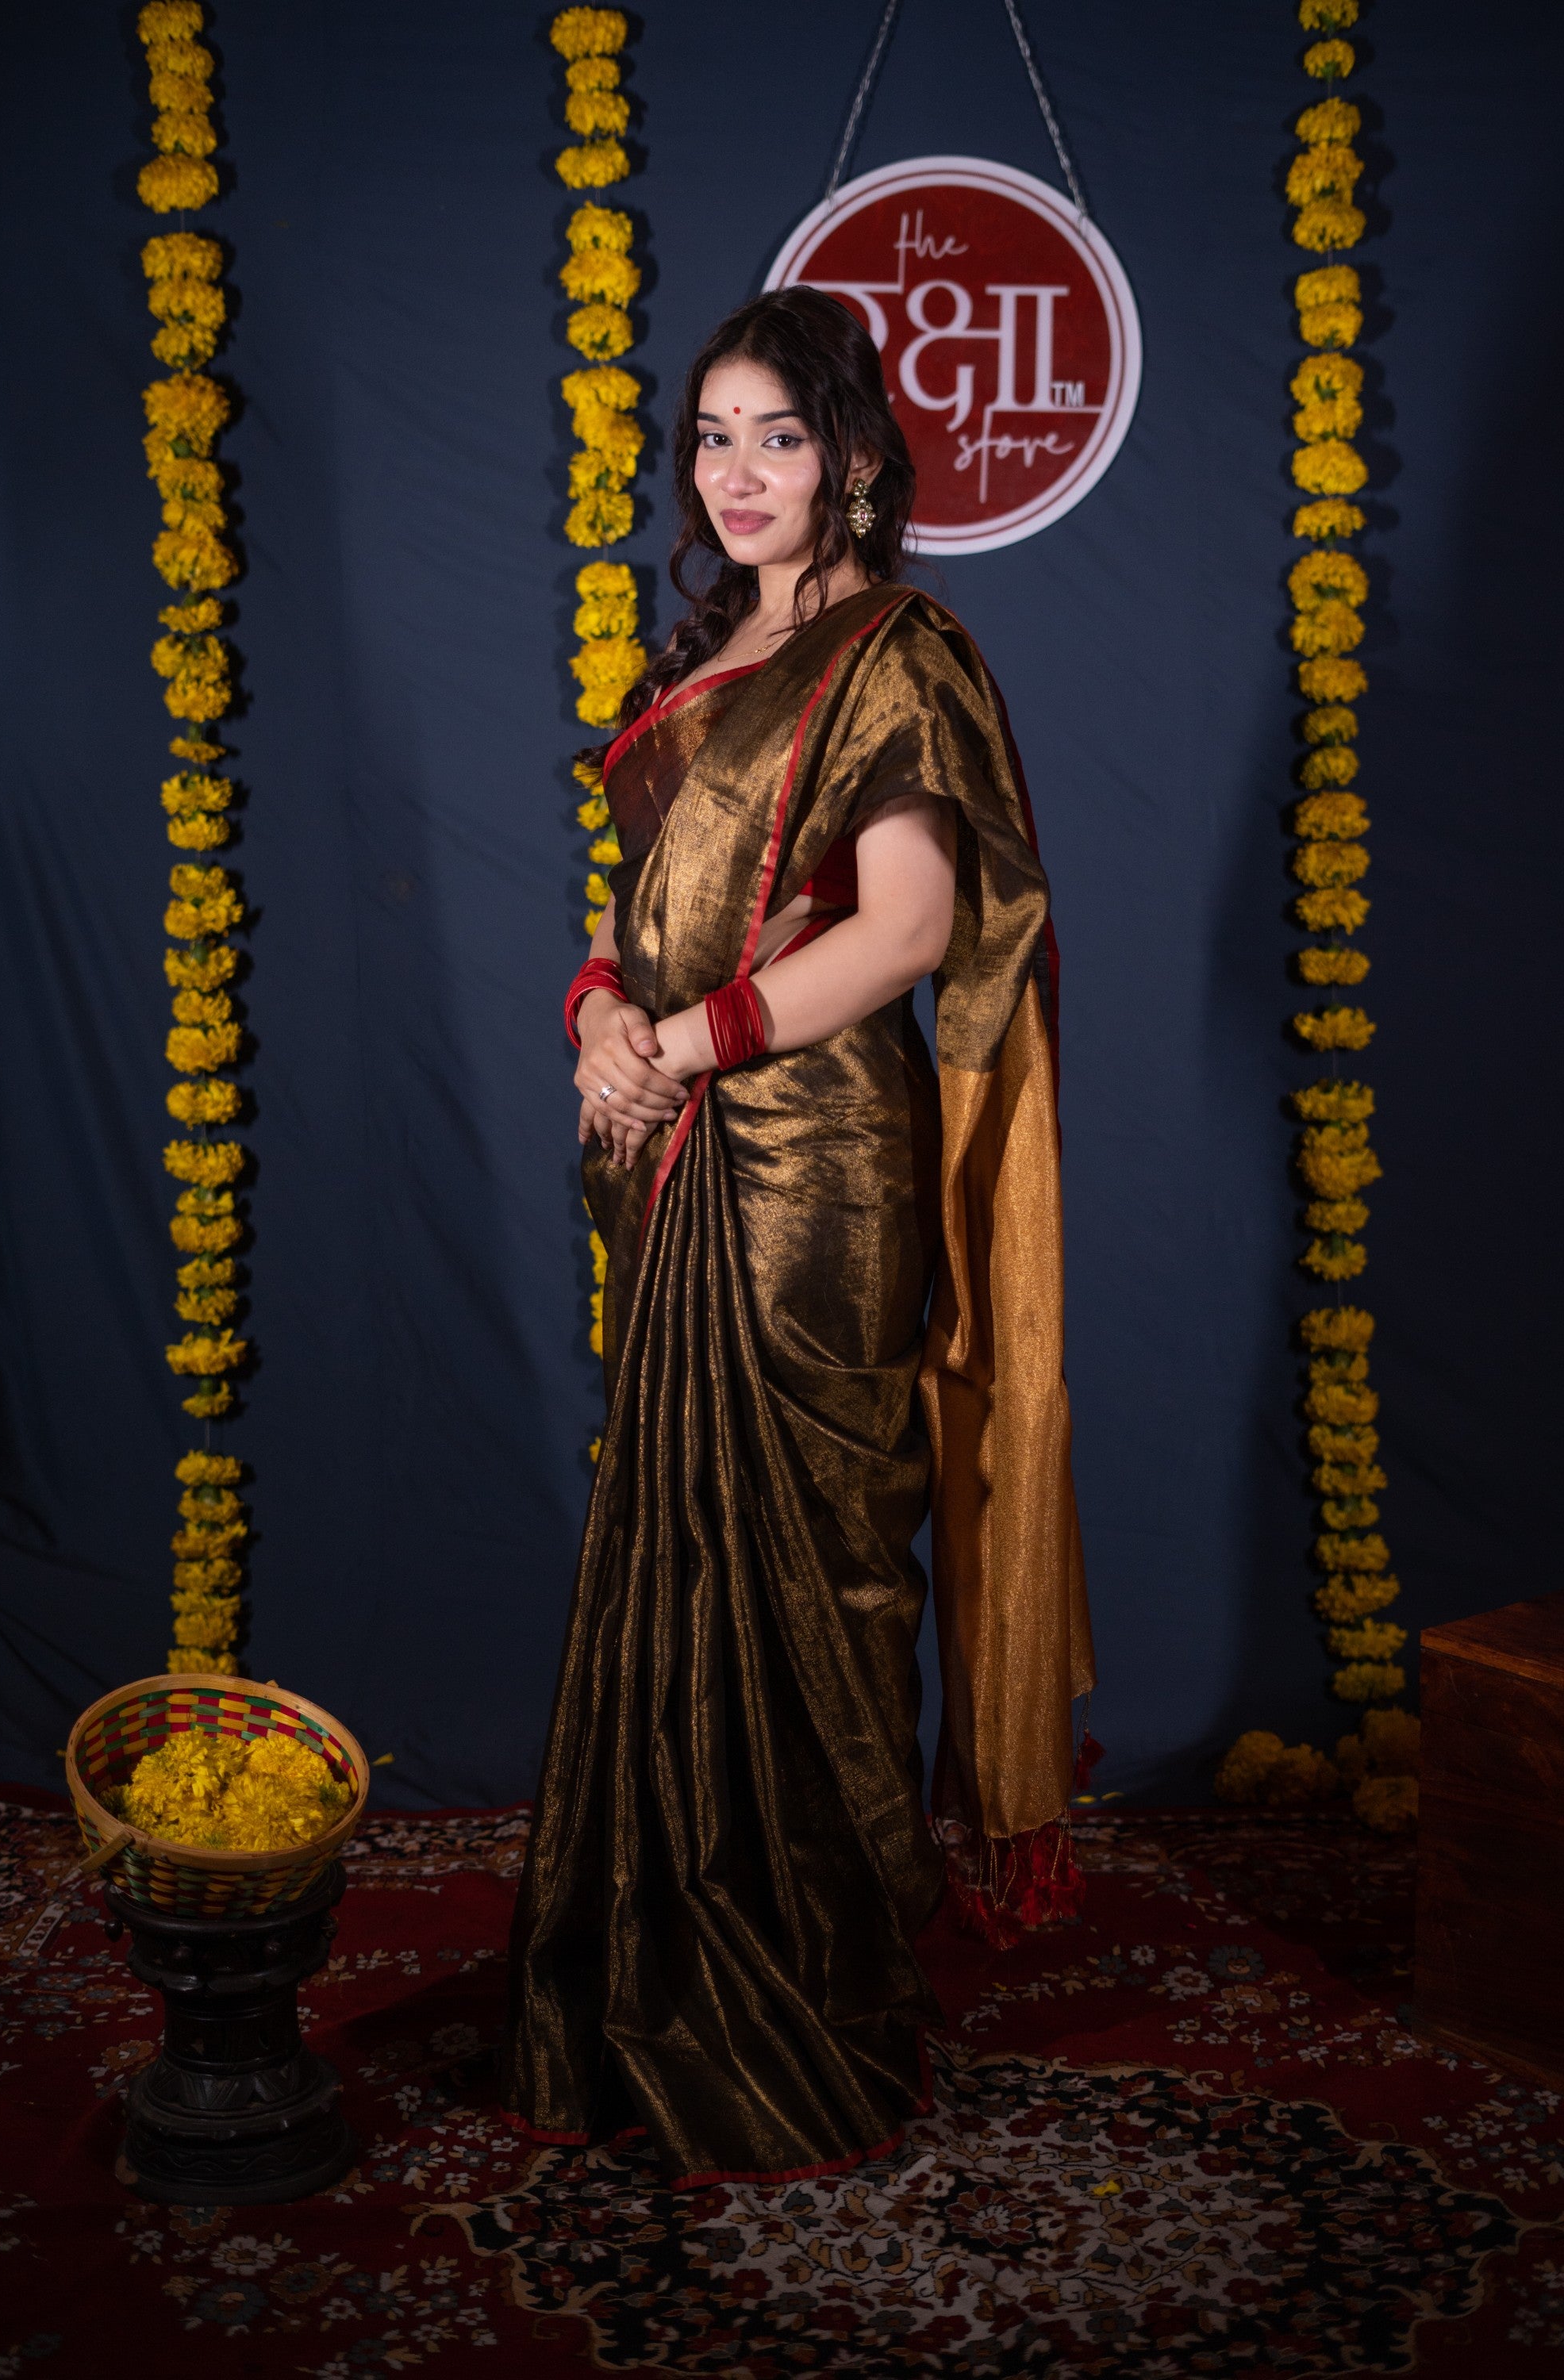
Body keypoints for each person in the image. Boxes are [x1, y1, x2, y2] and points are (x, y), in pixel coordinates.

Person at [501, 286, 1093, 2190]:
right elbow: (640, 910)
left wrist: (678, 1040)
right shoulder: (713, 658)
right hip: (677, 1148)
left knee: (811, 1575)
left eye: (775, 436)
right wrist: (600, 1015)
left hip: (809, 1173)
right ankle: (657, 1961)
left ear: (850, 458)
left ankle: (815, 1998)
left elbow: (910, 928)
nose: (734, 474)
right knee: (676, 1552)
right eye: (709, 438)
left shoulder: (894, 652)